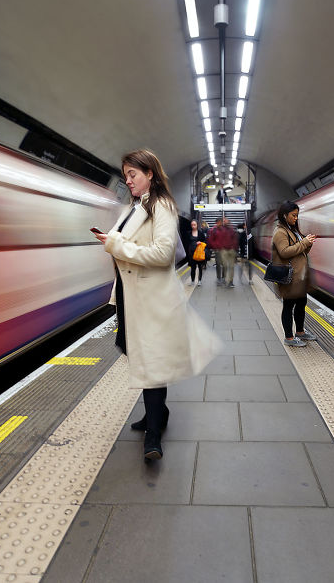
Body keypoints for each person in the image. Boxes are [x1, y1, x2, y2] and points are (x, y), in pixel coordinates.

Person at [93, 149, 221, 460]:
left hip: (151, 298)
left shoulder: (161, 205)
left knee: (152, 364)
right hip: (128, 295)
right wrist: (111, 239)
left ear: (150, 173)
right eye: (125, 175)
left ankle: (154, 430)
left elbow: (163, 255)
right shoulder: (134, 207)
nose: (128, 180)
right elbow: (124, 244)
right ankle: (158, 412)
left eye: (132, 174)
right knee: (128, 347)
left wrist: (115, 244)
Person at [270, 200, 318, 347]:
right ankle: (289, 338)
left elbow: (299, 250)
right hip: (289, 277)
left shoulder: (293, 230)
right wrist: (303, 242)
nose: (296, 218)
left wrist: (307, 244)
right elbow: (284, 253)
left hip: (299, 276)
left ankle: (300, 332)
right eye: (293, 215)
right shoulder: (280, 232)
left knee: (301, 304)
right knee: (288, 306)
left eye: (297, 215)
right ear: (285, 215)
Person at [186, 219, 207, 285]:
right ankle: (192, 281)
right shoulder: (189, 233)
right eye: (192, 225)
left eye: (194, 225)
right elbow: (186, 242)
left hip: (199, 252)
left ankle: (199, 281)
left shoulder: (200, 233)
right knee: (193, 268)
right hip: (191, 253)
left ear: (197, 225)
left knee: (200, 267)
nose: (193, 226)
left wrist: (201, 242)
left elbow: (205, 241)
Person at [218, 218, 238, 288]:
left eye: (225, 221)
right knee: (225, 265)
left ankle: (231, 281)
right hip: (224, 250)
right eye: (223, 221)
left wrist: (234, 249)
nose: (224, 222)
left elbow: (235, 240)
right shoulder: (221, 229)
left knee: (231, 266)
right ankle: (224, 278)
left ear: (228, 222)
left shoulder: (232, 230)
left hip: (231, 250)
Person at [207, 218, 225, 285]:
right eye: (220, 222)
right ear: (217, 222)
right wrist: (215, 246)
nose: (221, 223)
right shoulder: (213, 230)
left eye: (222, 222)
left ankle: (223, 277)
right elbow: (211, 240)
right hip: (217, 250)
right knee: (218, 264)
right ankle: (219, 279)